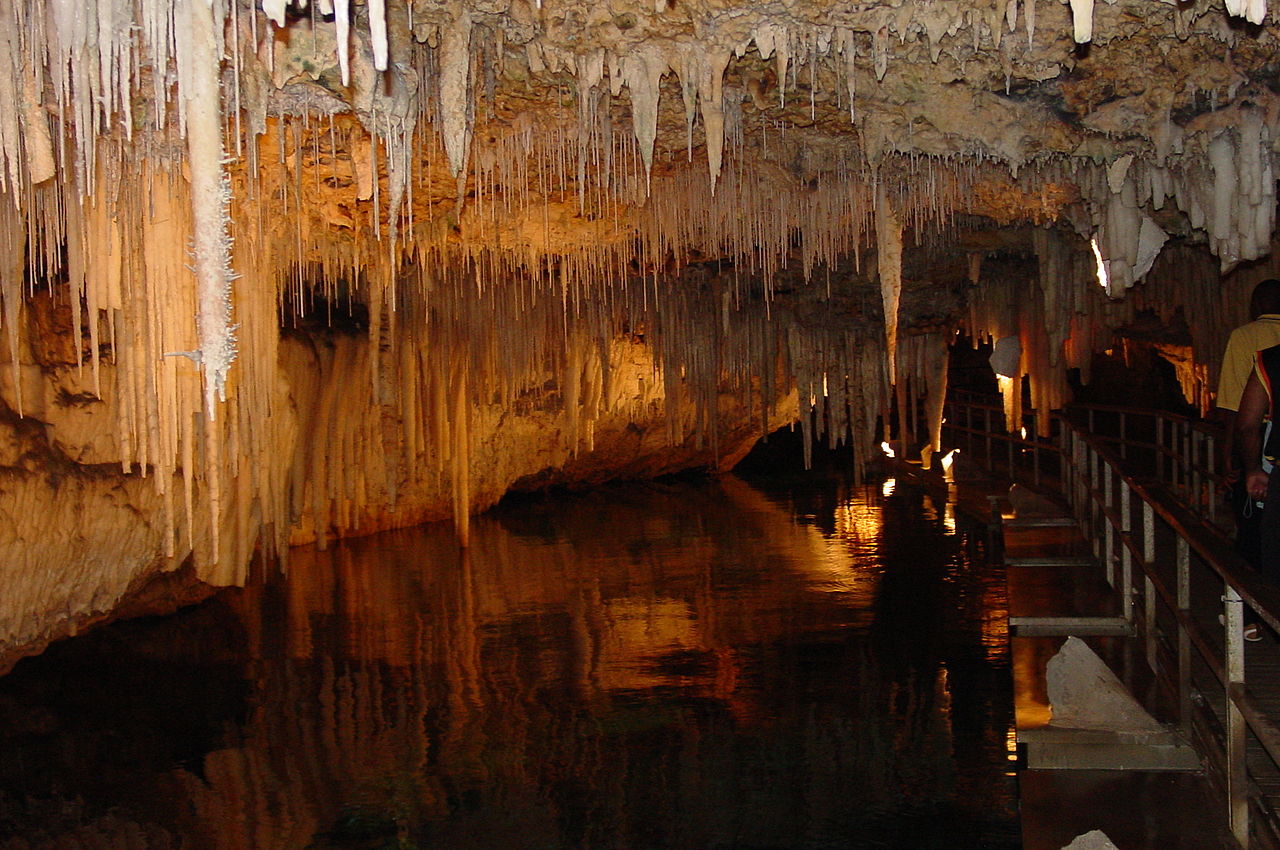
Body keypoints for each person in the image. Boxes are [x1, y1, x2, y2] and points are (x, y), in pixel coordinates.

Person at [1217, 279, 1280, 569]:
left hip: (1266, 444)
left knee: (1258, 523)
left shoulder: (1247, 338)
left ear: (1255, 306)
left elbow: (1236, 409)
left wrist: (1232, 457)